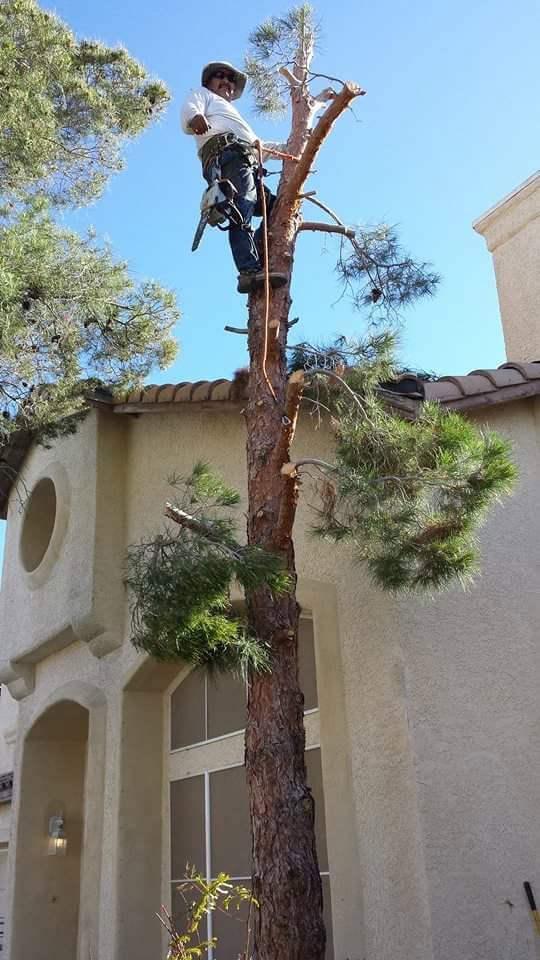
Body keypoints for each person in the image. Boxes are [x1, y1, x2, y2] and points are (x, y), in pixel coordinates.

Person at [181, 61, 287, 294]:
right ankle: (249, 271)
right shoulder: (204, 95)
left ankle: (255, 246)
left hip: (243, 158)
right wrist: (196, 117)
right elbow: (191, 108)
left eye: (231, 80)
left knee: (275, 208)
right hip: (226, 157)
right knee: (242, 207)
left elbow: (259, 147)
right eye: (220, 76)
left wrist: (290, 148)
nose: (227, 82)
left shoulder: (232, 116)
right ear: (208, 82)